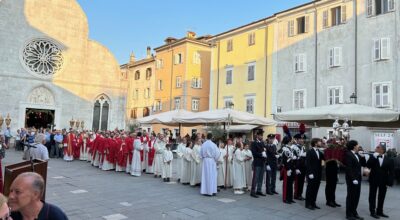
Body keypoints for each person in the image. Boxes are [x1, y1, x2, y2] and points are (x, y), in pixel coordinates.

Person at [367, 143, 394, 219]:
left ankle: (380, 211)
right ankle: (372, 212)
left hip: (383, 181)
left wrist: (390, 182)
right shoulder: (373, 157)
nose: (376, 148)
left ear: (382, 150)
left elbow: (391, 172)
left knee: (382, 196)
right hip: (373, 180)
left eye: (377, 147)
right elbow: (368, 165)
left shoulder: (389, 159)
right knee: (372, 196)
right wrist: (373, 157)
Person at [345, 140, 366, 220]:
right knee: (351, 196)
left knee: (356, 196)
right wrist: (353, 178)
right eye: (357, 145)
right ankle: (349, 214)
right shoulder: (348, 154)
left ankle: (354, 212)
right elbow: (349, 168)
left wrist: (363, 156)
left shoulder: (357, 154)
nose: (358, 146)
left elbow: (363, 164)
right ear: (354, 146)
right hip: (352, 179)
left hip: (358, 178)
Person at [305, 138, 324, 210]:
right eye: (320, 142)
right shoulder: (310, 152)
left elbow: (323, 160)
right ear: (315, 143)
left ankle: (313, 202)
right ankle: (308, 204)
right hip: (312, 174)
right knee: (310, 189)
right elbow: (308, 163)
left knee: (316, 188)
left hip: (318, 173)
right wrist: (310, 173)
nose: (321, 143)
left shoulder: (319, 152)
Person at [250, 131, 267, 198]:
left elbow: (264, 150)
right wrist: (261, 154)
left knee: (261, 177)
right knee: (255, 178)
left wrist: (265, 153)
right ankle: (253, 191)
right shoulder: (254, 143)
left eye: (262, 135)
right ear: (257, 136)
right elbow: (254, 153)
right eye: (260, 135)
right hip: (257, 162)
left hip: (262, 162)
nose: (261, 137)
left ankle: (259, 190)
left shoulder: (262, 142)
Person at [281, 136, 295, 204]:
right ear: (289, 141)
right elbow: (284, 160)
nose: (292, 140)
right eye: (291, 140)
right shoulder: (285, 149)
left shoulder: (290, 148)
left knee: (290, 183)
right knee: (286, 184)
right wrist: (288, 169)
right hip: (287, 168)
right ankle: (285, 198)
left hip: (291, 167)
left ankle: (290, 197)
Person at [293, 133, 307, 201]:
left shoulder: (303, 147)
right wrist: (296, 168)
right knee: (297, 182)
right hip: (298, 167)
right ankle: (296, 194)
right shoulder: (294, 147)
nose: (302, 140)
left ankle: (300, 194)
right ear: (297, 140)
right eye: (300, 139)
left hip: (303, 166)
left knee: (302, 182)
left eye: (303, 139)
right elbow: (294, 159)